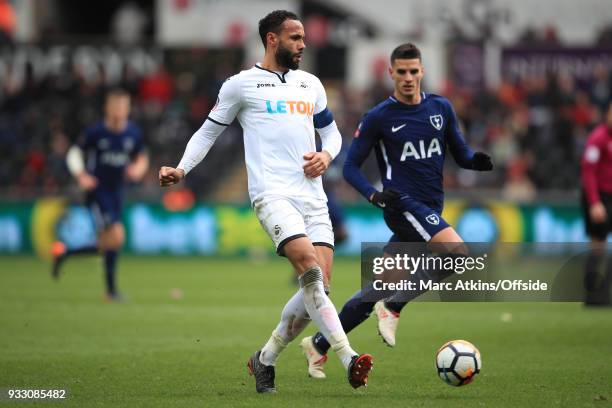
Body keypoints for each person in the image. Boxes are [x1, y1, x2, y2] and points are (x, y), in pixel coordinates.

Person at [158, 10, 373, 393]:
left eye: (304, 37)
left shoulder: (311, 85)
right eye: (295, 38)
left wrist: (326, 156)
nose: (303, 44)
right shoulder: (240, 86)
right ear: (272, 39)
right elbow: (207, 132)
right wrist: (181, 169)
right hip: (272, 194)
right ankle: (347, 356)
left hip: (313, 197)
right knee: (308, 268)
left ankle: (265, 358)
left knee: (319, 287)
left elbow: (333, 135)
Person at [299, 43, 493, 378]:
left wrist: (475, 161)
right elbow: (351, 168)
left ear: (422, 72)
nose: (407, 78)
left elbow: (460, 154)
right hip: (402, 204)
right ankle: (394, 307)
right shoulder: (379, 117)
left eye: (413, 71)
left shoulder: (440, 108)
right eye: (401, 72)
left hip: (429, 207)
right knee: (457, 253)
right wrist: (374, 196)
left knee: (379, 285)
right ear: (391, 73)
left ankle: (318, 343)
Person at [51, 89, 149, 302]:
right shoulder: (95, 132)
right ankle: (111, 292)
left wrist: (138, 169)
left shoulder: (132, 133)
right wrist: (81, 176)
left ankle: (65, 254)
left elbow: (141, 157)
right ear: (108, 108)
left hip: (117, 192)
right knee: (116, 235)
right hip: (98, 191)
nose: (120, 111)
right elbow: (74, 154)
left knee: (108, 243)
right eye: (117, 106)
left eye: (124, 106)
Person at [580, 101, 612, 306]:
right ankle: (592, 296)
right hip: (600, 197)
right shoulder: (598, 138)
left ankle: (606, 294)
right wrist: (594, 202)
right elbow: (588, 172)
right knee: (597, 246)